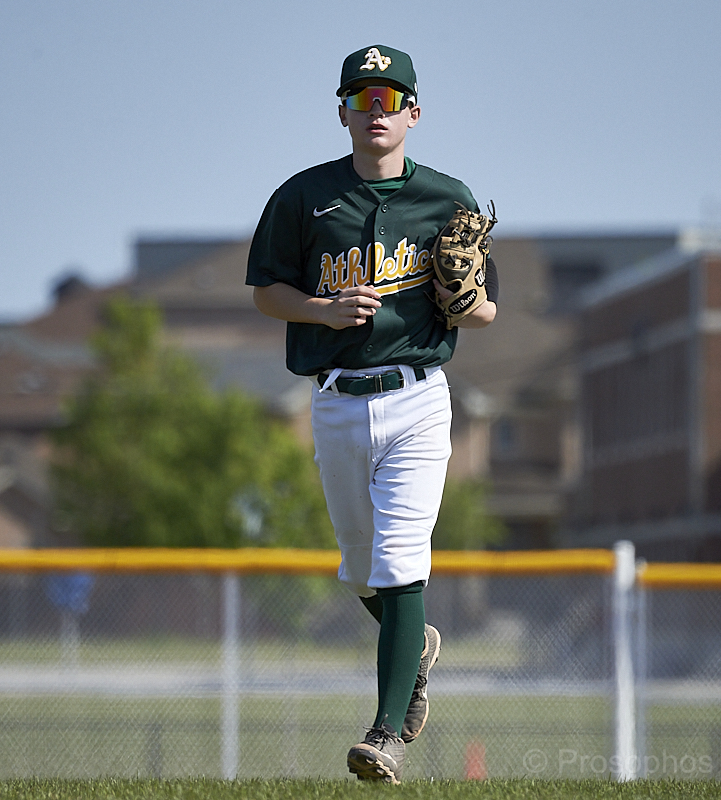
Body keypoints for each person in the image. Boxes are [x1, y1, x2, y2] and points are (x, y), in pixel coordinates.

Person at [245, 45, 498, 784]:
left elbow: (486, 309)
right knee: (361, 572)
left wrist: (461, 301)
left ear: (413, 113)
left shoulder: (448, 197)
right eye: (362, 98)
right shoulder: (303, 196)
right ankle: (414, 648)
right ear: (343, 113)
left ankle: (384, 735)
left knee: (399, 562)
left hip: (417, 398)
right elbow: (265, 291)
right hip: (335, 400)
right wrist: (321, 309)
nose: (375, 111)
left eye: (389, 99)